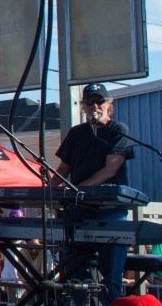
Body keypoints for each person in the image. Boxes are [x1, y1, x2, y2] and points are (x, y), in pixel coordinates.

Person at [51, 82, 134, 305]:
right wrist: (49, 191)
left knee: (111, 280)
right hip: (79, 212)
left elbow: (111, 169)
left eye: (100, 101)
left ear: (109, 104)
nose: (95, 105)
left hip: (109, 212)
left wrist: (79, 190)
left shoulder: (118, 130)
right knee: (75, 277)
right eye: (90, 102)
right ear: (84, 107)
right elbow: (63, 170)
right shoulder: (76, 133)